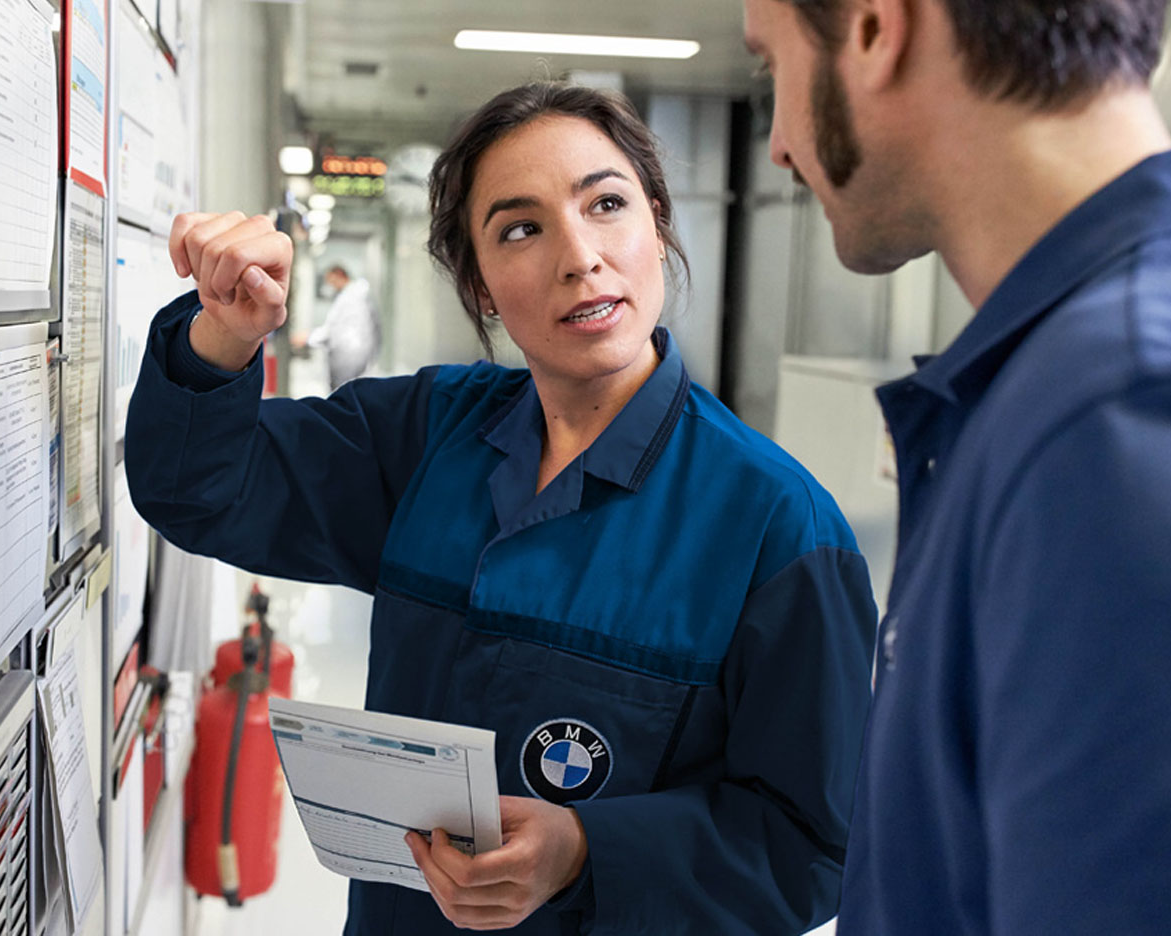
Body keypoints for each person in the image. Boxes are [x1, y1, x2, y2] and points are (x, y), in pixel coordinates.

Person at [125, 82, 877, 934]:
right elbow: (199, 490)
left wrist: (588, 849)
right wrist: (225, 333)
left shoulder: (777, 530)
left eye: (606, 204)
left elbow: (820, 847)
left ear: (658, 228)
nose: (579, 255)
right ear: (479, 286)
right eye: (520, 228)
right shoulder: (426, 440)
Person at [740, 0, 1171, 932]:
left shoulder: (1117, 418)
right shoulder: (1061, 379)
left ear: (865, 7)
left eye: (771, 62)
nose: (773, 139)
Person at [306, 260, 382, 390]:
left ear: (340, 275)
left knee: (346, 396)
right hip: (351, 359)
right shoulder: (350, 296)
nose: (330, 285)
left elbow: (339, 331)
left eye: (331, 280)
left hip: (350, 360)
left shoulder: (353, 298)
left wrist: (309, 338)